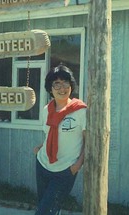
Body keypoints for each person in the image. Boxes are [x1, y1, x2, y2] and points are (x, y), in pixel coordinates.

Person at [33, 64, 87, 215]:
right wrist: (40, 148)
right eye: (57, 84)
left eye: (65, 83)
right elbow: (49, 135)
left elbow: (87, 142)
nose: (62, 88)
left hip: (65, 171)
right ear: (50, 88)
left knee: (44, 212)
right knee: (49, 210)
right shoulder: (46, 110)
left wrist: (77, 165)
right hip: (43, 166)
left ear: (71, 86)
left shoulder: (80, 110)